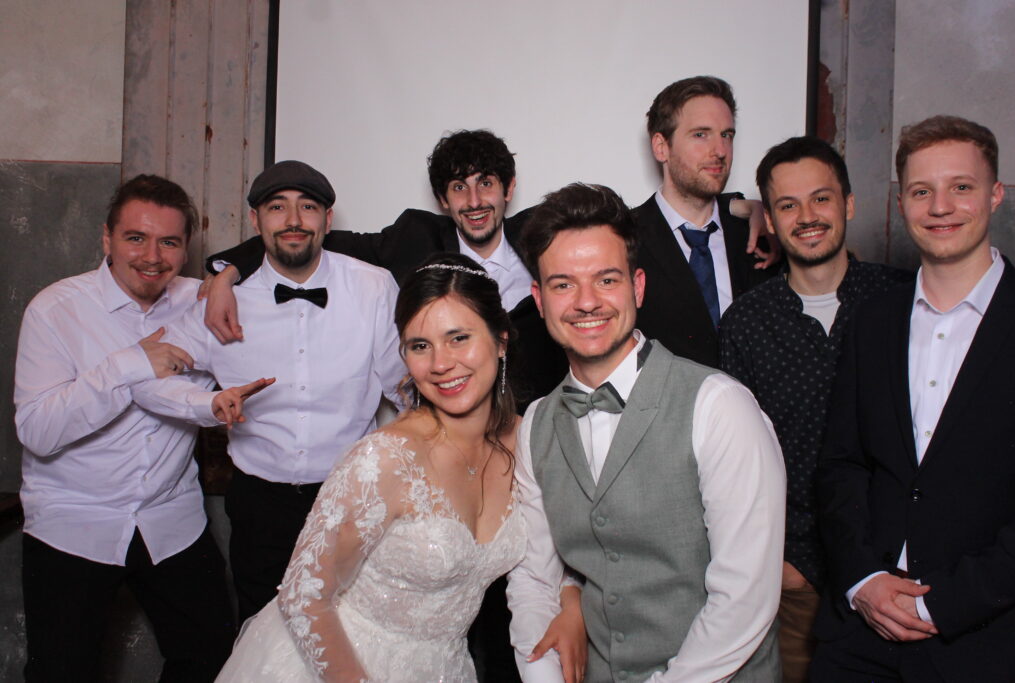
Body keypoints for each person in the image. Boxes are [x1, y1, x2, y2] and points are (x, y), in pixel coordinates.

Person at [215, 253, 586, 682]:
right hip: (336, 664)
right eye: (420, 346)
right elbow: (303, 597)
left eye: (458, 338)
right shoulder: (384, 459)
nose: (440, 364)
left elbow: (558, 544)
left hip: (444, 667)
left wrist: (571, 598)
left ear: (501, 340)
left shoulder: (528, 441)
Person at [508, 182, 787, 681]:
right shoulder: (535, 426)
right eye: (563, 284)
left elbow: (743, 600)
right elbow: (534, 580)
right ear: (540, 300)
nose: (586, 302)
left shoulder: (719, 407)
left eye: (606, 279)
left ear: (637, 287)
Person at [132, 160, 407, 623]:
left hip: (349, 498)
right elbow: (144, 376)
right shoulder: (220, 301)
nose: (294, 220)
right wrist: (206, 403)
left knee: (353, 632)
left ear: (328, 220)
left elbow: (405, 384)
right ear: (255, 220)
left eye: (308, 207)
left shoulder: (372, 287)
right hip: (258, 503)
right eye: (277, 207)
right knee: (262, 632)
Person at [14, 175, 263, 681]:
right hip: (73, 523)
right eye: (136, 238)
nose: (152, 256)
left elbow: (281, 253)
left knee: (213, 660)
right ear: (106, 238)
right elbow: (38, 432)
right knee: (60, 673)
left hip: (171, 518)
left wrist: (227, 276)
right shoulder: (55, 310)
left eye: (169, 242)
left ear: (187, 248)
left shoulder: (204, 301)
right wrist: (129, 364)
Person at [812, 116, 1015, 682]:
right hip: (860, 629)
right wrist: (862, 580)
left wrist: (943, 605)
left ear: (995, 194)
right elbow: (840, 465)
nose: (940, 207)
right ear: (902, 202)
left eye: (961, 187)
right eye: (921, 191)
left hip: (985, 641)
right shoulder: (872, 320)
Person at [717, 136, 912, 682]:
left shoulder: (901, 298)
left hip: (900, 574)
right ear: (771, 220)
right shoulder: (746, 323)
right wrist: (781, 566)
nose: (807, 217)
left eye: (821, 199)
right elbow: (733, 464)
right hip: (797, 583)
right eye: (788, 205)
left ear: (848, 204)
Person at [203, 130, 567, 411]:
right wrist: (229, 272)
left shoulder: (543, 236)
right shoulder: (415, 238)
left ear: (508, 189)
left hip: (540, 429)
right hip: (452, 433)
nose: (474, 202)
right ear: (443, 199)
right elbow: (305, 235)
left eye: (485, 184)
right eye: (459, 188)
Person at [634, 75, 777, 366]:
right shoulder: (626, 237)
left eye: (727, 135)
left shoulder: (759, 234)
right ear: (661, 146)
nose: (720, 151)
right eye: (701, 134)